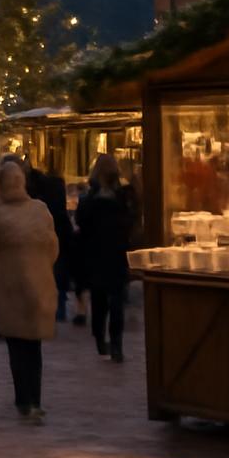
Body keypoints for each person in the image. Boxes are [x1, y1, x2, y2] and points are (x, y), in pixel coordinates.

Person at [0, 160, 59, 423]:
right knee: (33, 346)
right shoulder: (40, 210)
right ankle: (35, 401)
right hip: (38, 284)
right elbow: (53, 247)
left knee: (16, 347)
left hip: (9, 285)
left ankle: (23, 399)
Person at [76, 154, 133, 363]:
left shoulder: (90, 197)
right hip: (116, 253)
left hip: (96, 254)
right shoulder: (123, 196)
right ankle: (116, 344)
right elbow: (130, 222)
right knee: (116, 300)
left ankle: (101, 340)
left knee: (100, 300)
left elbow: (81, 221)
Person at [24, 160, 76, 322]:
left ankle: (54, 307)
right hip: (59, 232)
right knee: (58, 272)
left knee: (50, 271)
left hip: (47, 233)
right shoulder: (54, 187)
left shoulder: (36, 192)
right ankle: (58, 307)